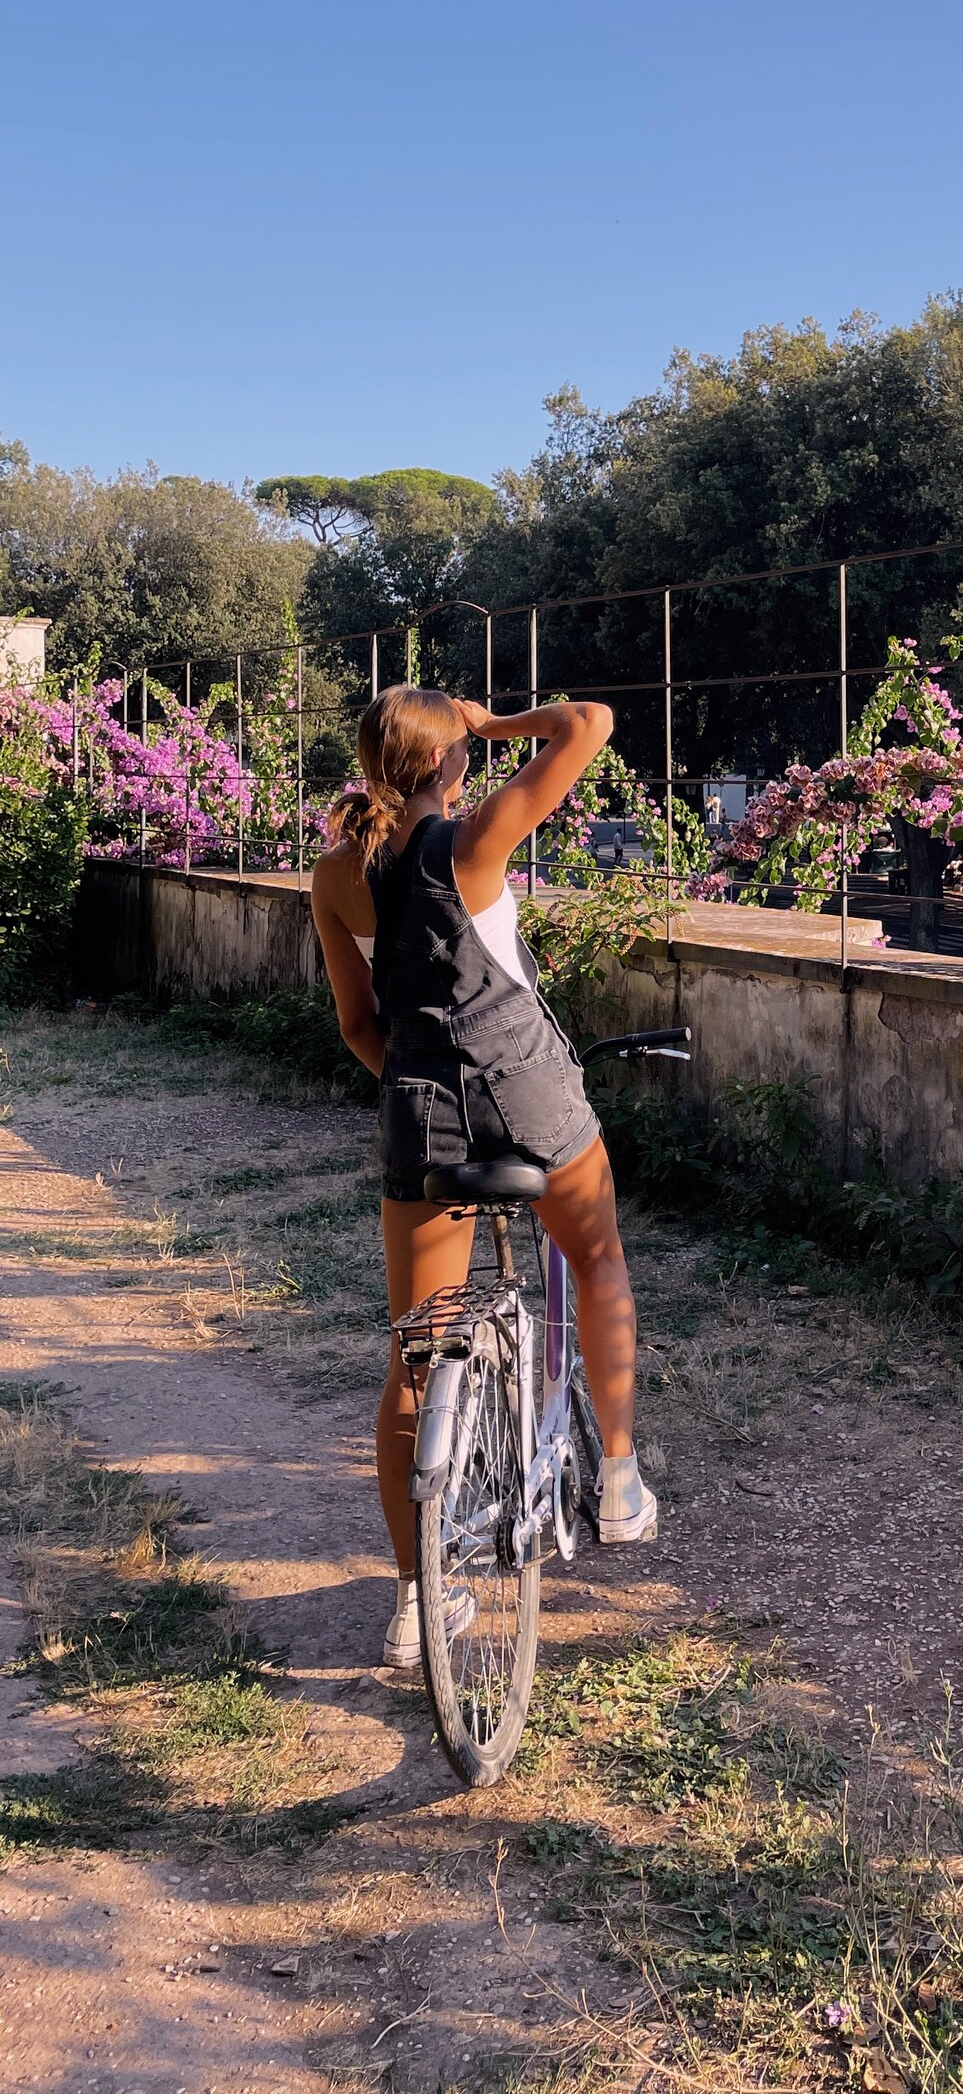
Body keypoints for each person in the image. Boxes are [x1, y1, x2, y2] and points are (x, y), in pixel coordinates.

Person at [310, 684, 656, 1669]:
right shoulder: (472, 841)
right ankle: (621, 1483)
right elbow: (589, 722)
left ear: (372, 763)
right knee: (598, 1264)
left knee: (417, 1352)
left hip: (421, 1111)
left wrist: (423, 1086)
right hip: (531, 1097)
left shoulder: (335, 875)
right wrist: (493, 723)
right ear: (448, 763)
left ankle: (420, 1599)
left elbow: (357, 1026)